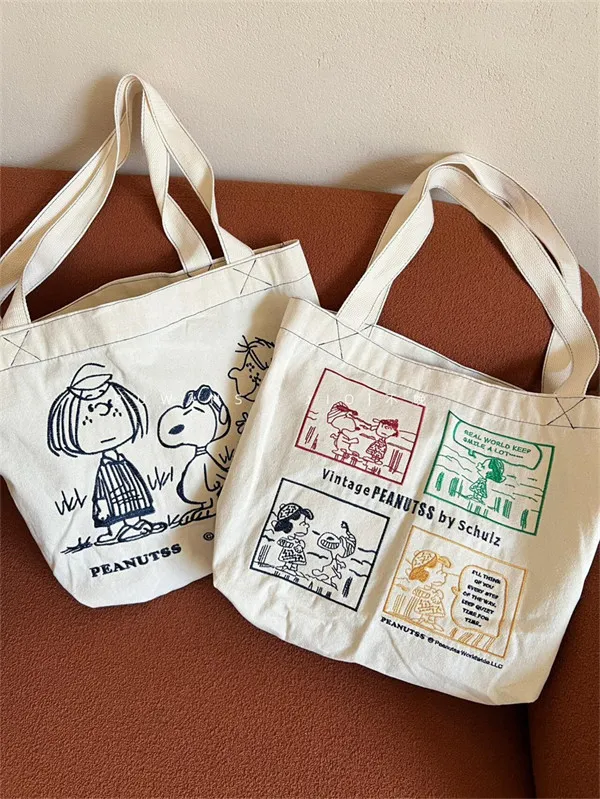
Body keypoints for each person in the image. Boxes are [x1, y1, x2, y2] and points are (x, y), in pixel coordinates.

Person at [47, 363, 166, 546]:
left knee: (133, 496)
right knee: (114, 502)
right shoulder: (104, 469)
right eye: (88, 423)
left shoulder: (122, 461)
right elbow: (102, 489)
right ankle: (116, 529)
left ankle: (137, 523)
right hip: (111, 487)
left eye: (114, 414)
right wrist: (101, 504)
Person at [403, 549, 451, 633]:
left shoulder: (434, 590)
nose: (444, 574)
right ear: (426, 572)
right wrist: (428, 595)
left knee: (432, 613)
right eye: (440, 571)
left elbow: (438, 594)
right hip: (425, 604)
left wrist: (438, 595)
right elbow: (416, 592)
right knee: (425, 611)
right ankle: (423, 619)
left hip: (433, 604)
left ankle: (431, 622)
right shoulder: (423, 588)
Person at [273, 502, 314, 574]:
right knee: (288, 559)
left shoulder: (298, 541)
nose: (307, 525)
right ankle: (286, 566)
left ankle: (293, 568)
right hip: (288, 553)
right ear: (289, 525)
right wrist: (289, 544)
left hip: (296, 555)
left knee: (295, 561)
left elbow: (302, 545)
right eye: (303, 523)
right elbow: (280, 542)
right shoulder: (288, 539)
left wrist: (300, 545)